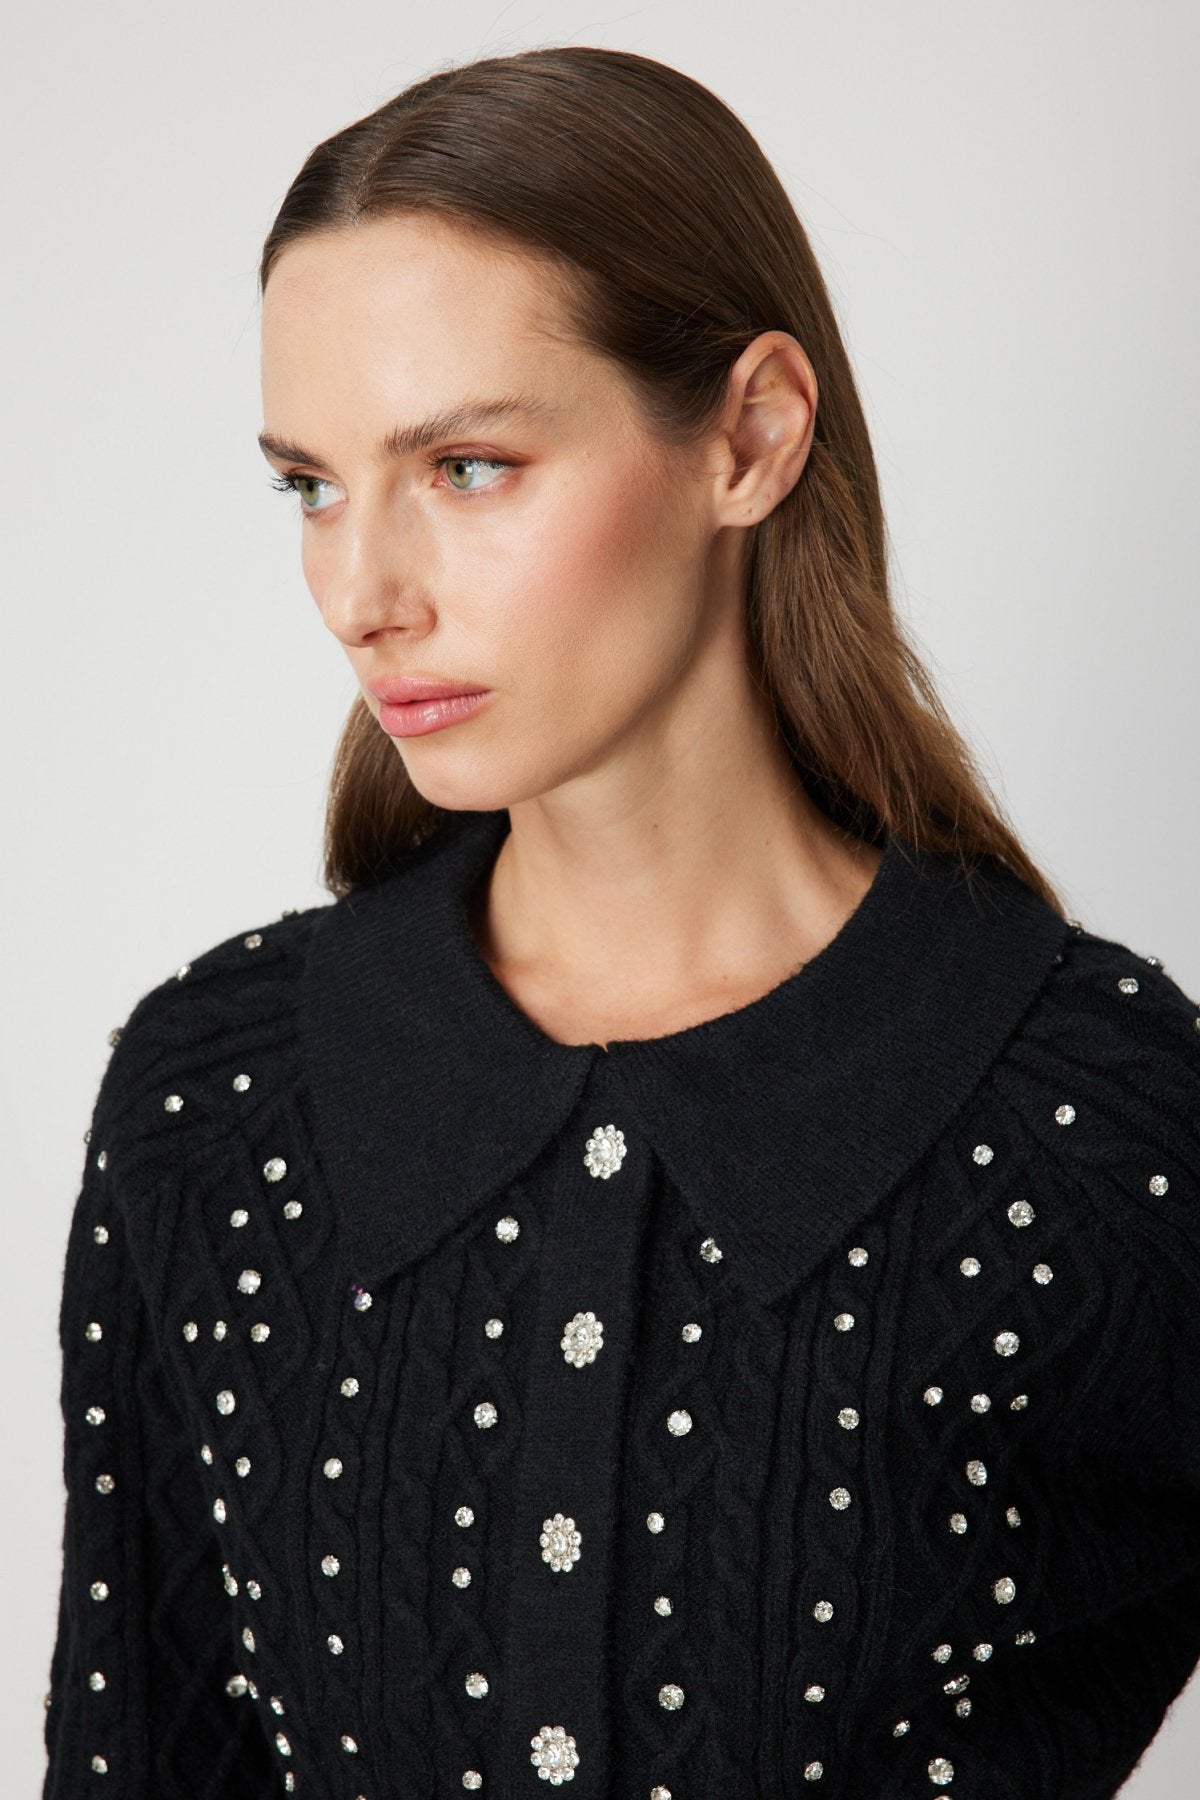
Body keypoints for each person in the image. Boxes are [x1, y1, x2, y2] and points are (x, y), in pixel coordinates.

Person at [43, 44, 1200, 1800]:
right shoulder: (212, 1105)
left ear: (752, 436)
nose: (362, 592)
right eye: (311, 485)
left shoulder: (1103, 1129)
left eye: (468, 467)